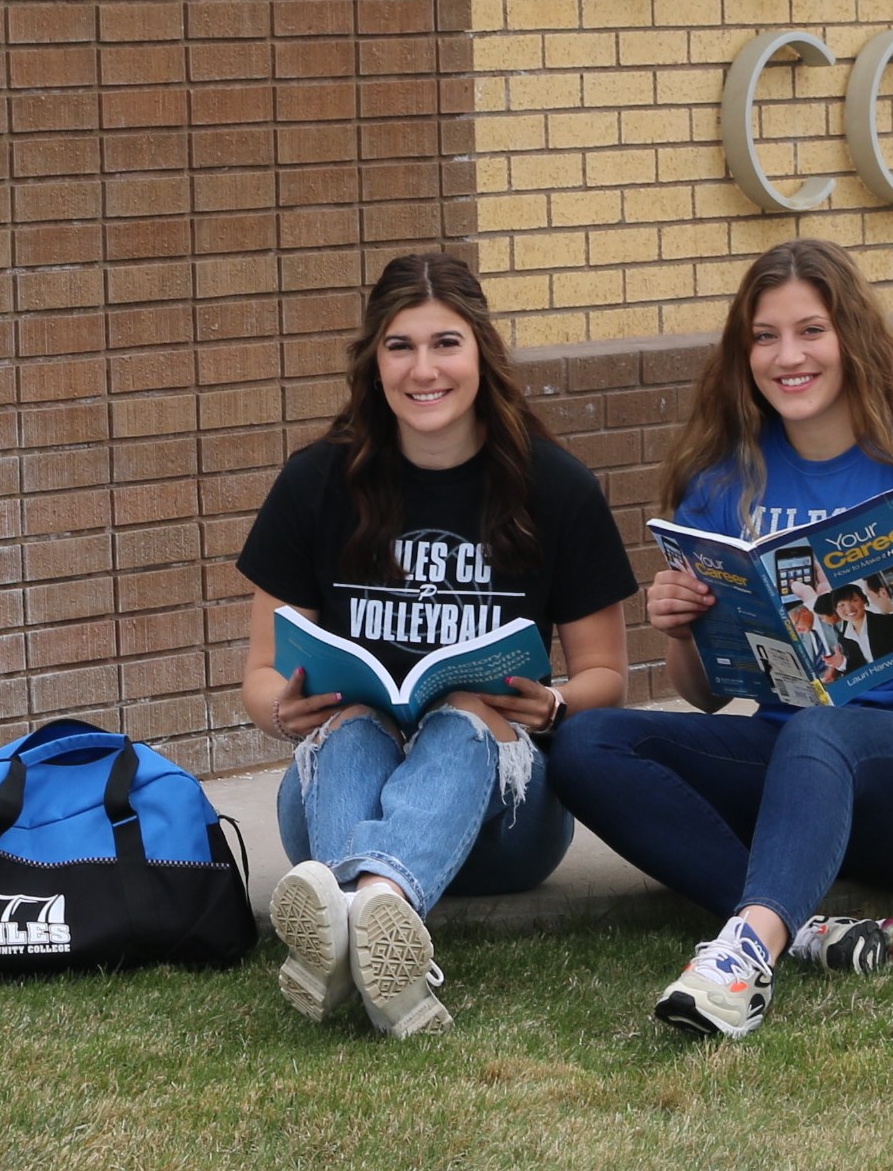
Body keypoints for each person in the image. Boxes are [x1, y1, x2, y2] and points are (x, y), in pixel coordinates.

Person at [551, 237, 893, 1038]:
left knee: (824, 730)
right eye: (763, 336)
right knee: (586, 744)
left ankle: (743, 962)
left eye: (810, 331)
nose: (787, 356)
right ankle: (804, 930)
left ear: (852, 336)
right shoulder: (725, 481)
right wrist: (681, 628)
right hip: (795, 773)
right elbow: (706, 694)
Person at [236, 252, 636, 1037]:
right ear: (373, 361)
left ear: (481, 350)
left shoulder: (553, 487)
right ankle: (382, 924)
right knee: (350, 725)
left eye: (445, 343)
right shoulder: (317, 483)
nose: (424, 369)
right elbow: (258, 675)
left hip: (504, 819)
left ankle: (353, 908)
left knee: (459, 709)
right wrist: (283, 713)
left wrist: (553, 704)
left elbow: (607, 675)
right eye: (400, 346)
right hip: (342, 793)